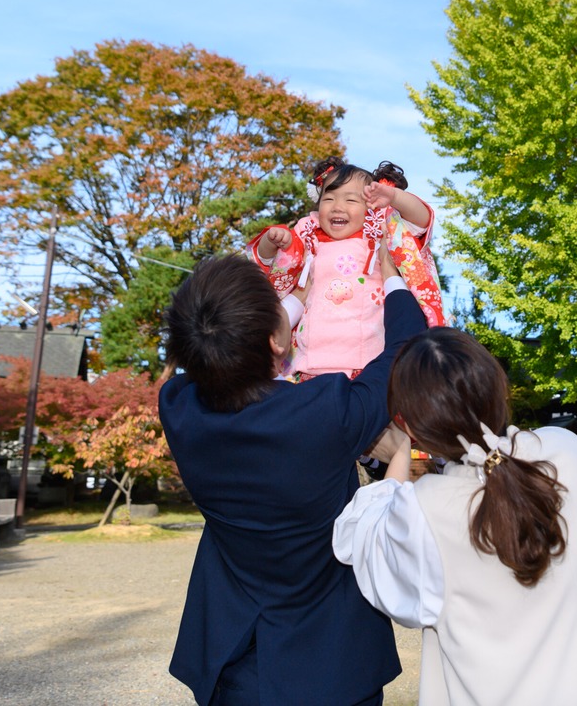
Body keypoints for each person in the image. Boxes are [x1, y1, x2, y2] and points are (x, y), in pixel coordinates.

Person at [333, 328, 577, 705]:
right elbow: (500, 462)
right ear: (499, 389)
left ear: (408, 424)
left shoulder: (425, 512)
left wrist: (399, 453)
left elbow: (362, 539)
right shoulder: (565, 452)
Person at [158, 250, 427, 705]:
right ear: (276, 340)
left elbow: (226, 350)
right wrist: (393, 280)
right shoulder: (325, 413)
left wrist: (295, 302)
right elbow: (405, 348)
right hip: (334, 660)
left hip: (236, 658)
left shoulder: (179, 407)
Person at [247, 157, 445, 380]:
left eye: (351, 200)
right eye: (329, 198)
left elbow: (423, 219)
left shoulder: (379, 234)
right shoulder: (310, 240)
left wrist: (395, 198)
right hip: (311, 361)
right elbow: (272, 265)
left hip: (367, 361)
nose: (337, 207)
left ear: (371, 207)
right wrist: (272, 241)